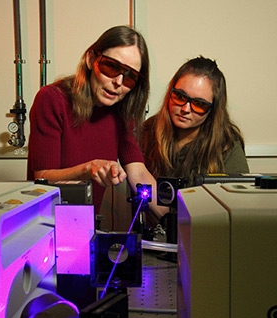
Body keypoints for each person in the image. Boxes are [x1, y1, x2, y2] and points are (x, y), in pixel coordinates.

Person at [27, 25, 165, 219]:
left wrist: (173, 220)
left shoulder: (121, 112)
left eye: (130, 77)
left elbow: (139, 174)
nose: (118, 82)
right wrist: (88, 169)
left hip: (86, 224)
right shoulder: (52, 99)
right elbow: (43, 178)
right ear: (91, 59)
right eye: (112, 67)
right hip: (44, 222)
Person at [140, 56, 249, 186]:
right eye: (180, 96)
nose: (185, 109)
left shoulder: (226, 145)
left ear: (213, 110)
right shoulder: (148, 130)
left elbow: (237, 202)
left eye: (199, 104)